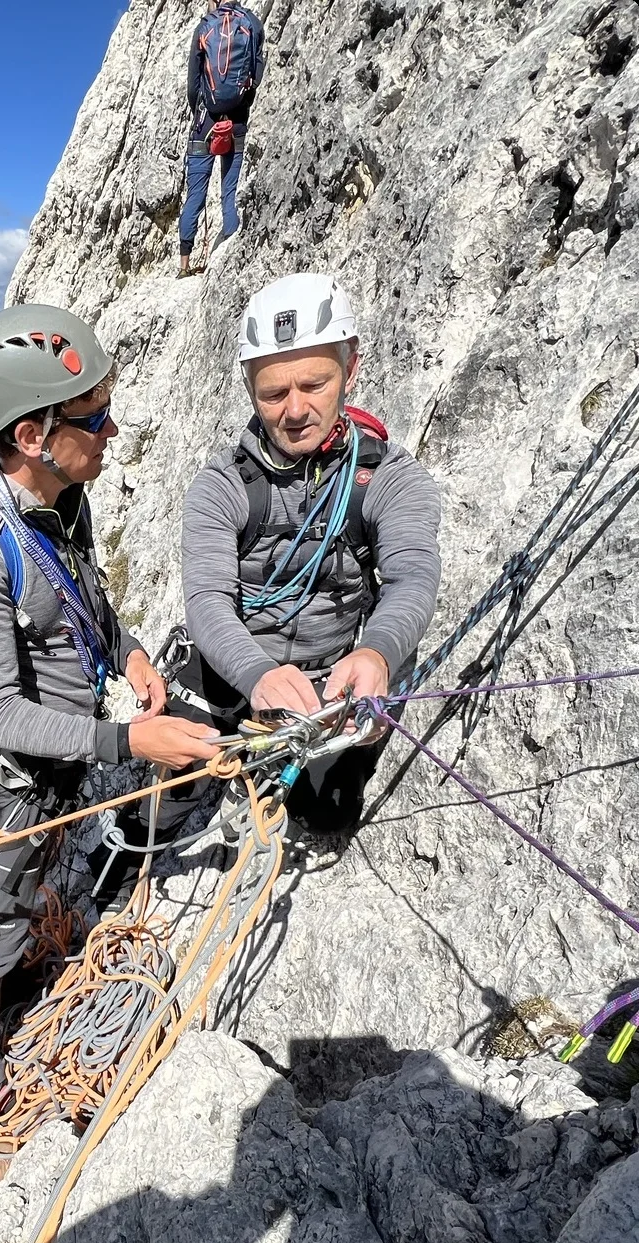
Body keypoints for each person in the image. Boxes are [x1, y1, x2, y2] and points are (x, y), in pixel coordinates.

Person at [0, 304, 220, 1136]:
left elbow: (84, 600)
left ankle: (31, 965)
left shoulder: (62, 499)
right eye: (94, 418)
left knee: (35, 888)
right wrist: (125, 741)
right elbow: (0, 714)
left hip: (67, 758)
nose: (113, 430)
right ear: (32, 433)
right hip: (9, 784)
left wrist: (130, 655)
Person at [169, 272, 442, 832]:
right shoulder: (223, 485)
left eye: (314, 385)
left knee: (326, 814)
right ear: (250, 390)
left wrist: (378, 654)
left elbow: (411, 576)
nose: (294, 410)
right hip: (235, 668)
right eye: (273, 394)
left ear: (351, 369)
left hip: (333, 675)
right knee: (165, 798)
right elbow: (207, 598)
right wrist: (256, 675)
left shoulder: (387, 478)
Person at [179, 1, 266, 277]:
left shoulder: (205, 26)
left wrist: (200, 111)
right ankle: (229, 249)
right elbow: (258, 71)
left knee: (196, 194)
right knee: (229, 190)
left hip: (206, 120)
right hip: (237, 118)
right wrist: (243, 104)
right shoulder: (251, 22)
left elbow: (194, 83)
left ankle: (184, 264)